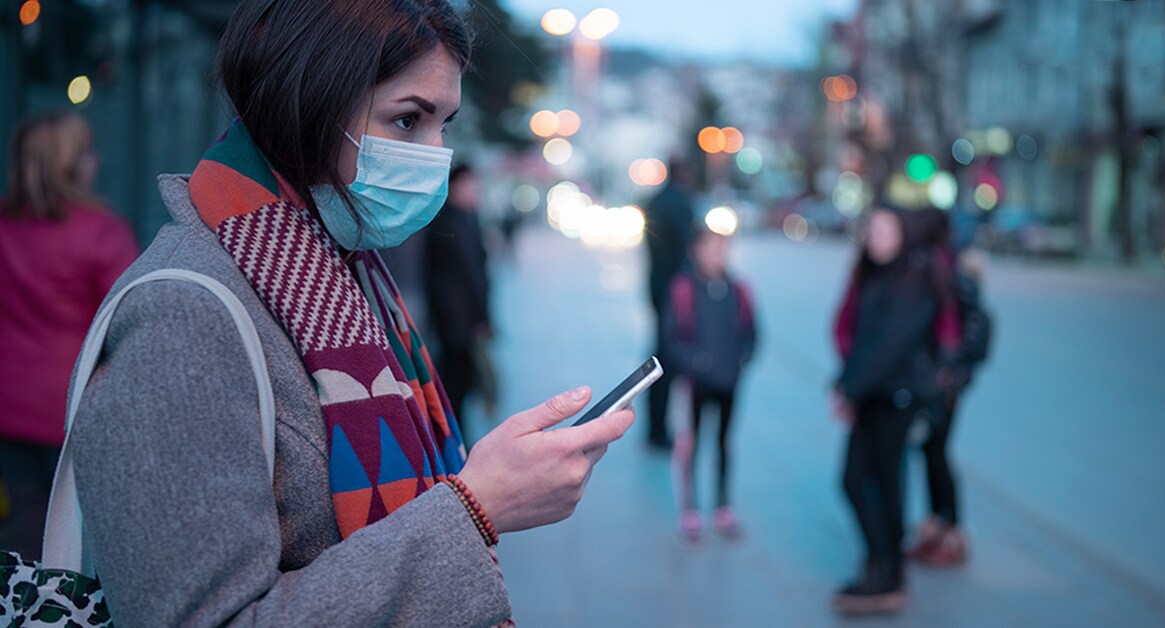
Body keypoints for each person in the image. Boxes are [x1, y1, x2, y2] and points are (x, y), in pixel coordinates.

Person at [64, 1, 634, 625]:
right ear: (307, 105)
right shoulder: (182, 315)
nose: (434, 154)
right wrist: (475, 508)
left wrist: (491, 485)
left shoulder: (344, 266)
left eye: (445, 123)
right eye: (408, 120)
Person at [0, 111, 138, 561]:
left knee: (24, 526)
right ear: (67, 164)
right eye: (86, 153)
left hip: (9, 405)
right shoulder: (101, 232)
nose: (96, 161)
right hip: (74, 408)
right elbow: (130, 320)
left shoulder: (5, 227)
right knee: (78, 543)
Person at [830, 205, 942, 614]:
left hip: (896, 396)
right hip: (873, 395)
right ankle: (881, 564)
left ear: (902, 233)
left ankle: (888, 571)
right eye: (871, 229)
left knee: (877, 483)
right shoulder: (876, 273)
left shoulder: (913, 276)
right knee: (858, 481)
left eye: (884, 230)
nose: (875, 237)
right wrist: (843, 383)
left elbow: (891, 345)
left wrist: (849, 390)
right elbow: (862, 339)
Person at [907, 210, 991, 566]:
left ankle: (951, 528)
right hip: (936, 380)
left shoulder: (954, 275)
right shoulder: (940, 269)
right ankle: (938, 524)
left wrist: (954, 374)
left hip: (947, 384)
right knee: (930, 449)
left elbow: (978, 330)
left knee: (937, 450)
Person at [664, 228, 756, 541]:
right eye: (711, 248)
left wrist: (739, 361)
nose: (718, 254)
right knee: (690, 442)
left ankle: (723, 505)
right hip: (694, 384)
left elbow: (752, 333)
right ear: (696, 251)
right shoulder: (683, 289)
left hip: (729, 382)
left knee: (725, 442)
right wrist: (694, 363)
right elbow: (670, 337)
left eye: (723, 248)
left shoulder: (738, 289)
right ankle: (689, 508)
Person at [424, 163, 493, 444]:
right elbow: (468, 277)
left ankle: (456, 440)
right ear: (452, 188)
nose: (474, 192)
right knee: (455, 387)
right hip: (455, 324)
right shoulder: (450, 224)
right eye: (468, 186)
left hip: (460, 321)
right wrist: (479, 319)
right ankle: (454, 442)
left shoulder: (466, 220)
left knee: (461, 385)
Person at [642, 158, 696, 450]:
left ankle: (655, 425)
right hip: (674, 292)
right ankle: (659, 430)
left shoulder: (656, 201)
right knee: (668, 359)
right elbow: (686, 252)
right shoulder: (681, 204)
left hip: (656, 287)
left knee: (659, 355)